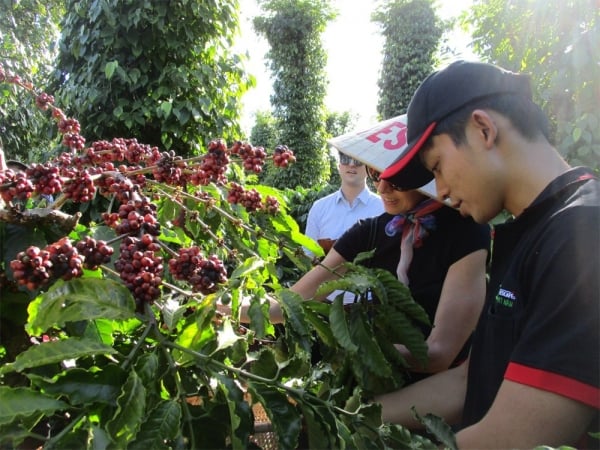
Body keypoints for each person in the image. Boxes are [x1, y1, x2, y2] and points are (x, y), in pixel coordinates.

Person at [374, 60, 599, 448]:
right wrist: (350, 410)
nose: (440, 191)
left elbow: (512, 437)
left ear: (483, 129)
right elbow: (471, 380)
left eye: (438, 166)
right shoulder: (529, 233)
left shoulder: (581, 233)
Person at [240, 161, 490, 379]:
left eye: (397, 180)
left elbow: (438, 355)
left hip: (441, 393)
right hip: (376, 385)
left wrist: (353, 347)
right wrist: (221, 305)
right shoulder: (368, 233)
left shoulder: (465, 232)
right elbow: (293, 301)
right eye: (375, 174)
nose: (382, 188)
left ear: (427, 174)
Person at [304, 151, 383, 254]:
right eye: (345, 159)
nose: (351, 164)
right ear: (339, 166)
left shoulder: (383, 208)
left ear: (369, 168)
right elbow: (308, 254)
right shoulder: (319, 208)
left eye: (358, 160)